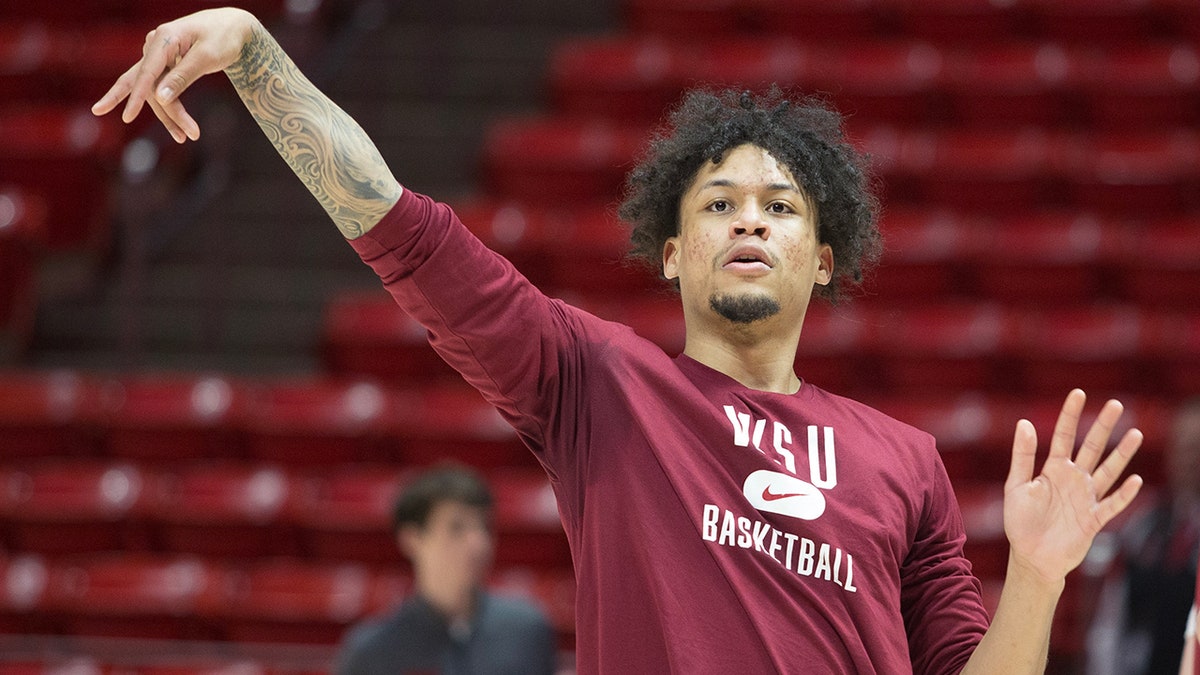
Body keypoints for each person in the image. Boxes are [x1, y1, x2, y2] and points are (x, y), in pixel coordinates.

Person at [91, 8, 1146, 673]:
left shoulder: (903, 459)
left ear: (825, 258)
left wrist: (1043, 573)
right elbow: (405, 229)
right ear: (674, 253)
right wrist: (259, 54)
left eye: (780, 208)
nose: (747, 220)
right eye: (719, 204)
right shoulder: (595, 382)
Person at [333, 464, 557, 675]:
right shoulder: (372, 650)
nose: (478, 543)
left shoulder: (527, 630)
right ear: (412, 539)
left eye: (483, 527)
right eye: (456, 528)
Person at [1088, 399, 1200, 675]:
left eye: (1197, 447)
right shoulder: (1145, 524)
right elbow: (1112, 615)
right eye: (1182, 446)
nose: (1189, 458)